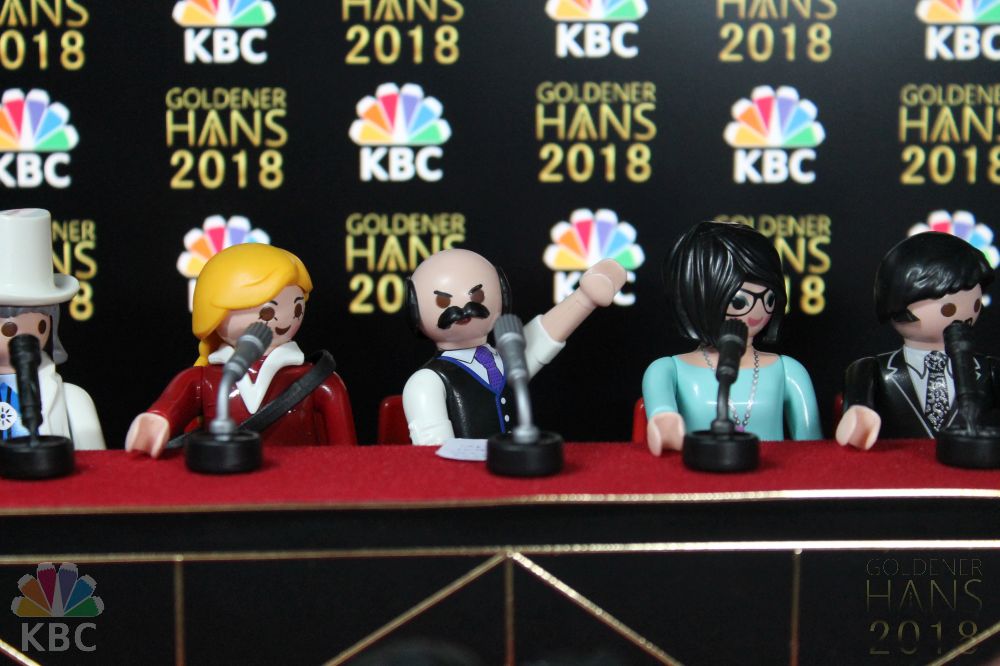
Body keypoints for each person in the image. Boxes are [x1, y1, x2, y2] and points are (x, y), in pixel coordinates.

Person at [126, 243, 356, 457]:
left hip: (300, 481)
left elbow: (346, 450)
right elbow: (172, 404)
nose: (285, 319)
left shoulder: (317, 381)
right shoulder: (205, 379)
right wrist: (158, 419)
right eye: (267, 312)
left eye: (297, 309)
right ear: (214, 312)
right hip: (227, 479)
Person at [403, 248, 625, 445]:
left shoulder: (508, 357)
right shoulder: (426, 383)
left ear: (503, 293)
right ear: (415, 310)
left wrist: (585, 298)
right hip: (465, 476)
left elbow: (544, 336)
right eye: (443, 302)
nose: (463, 308)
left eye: (477, 295)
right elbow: (433, 455)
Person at [642, 221, 821, 454]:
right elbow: (662, 417)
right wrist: (665, 425)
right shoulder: (667, 370)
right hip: (699, 471)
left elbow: (812, 444)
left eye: (768, 299)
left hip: (775, 475)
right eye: (740, 301)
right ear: (700, 296)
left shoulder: (788, 370)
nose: (758, 312)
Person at [836, 232, 999, 448]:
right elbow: (857, 408)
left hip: (969, 462)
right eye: (948, 309)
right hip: (899, 465)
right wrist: (858, 416)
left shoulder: (990, 370)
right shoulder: (871, 370)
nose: (965, 317)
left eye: (976, 305)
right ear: (897, 301)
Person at [0, 208, 104, 450]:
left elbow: (97, 461)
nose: (25, 337)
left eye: (41, 325)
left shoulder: (71, 399)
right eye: (9, 329)